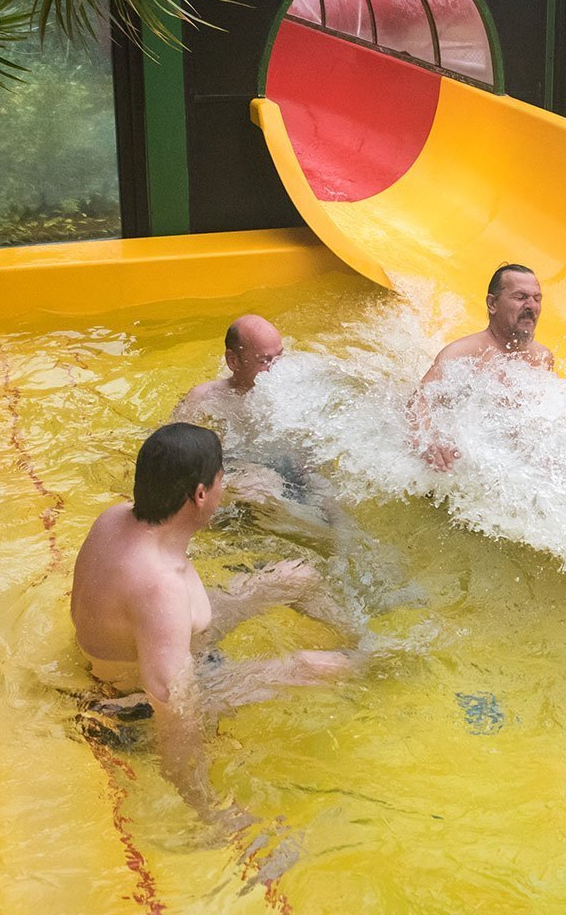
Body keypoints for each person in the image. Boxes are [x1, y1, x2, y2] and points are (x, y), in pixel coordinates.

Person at [71, 422, 354, 821]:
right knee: (318, 667)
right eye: (222, 480)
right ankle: (392, 667)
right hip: (132, 711)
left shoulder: (116, 518)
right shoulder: (159, 587)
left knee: (296, 577)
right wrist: (206, 808)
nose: (225, 490)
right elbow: (172, 704)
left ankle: (364, 640)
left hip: (160, 640)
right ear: (200, 494)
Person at [173, 314, 336, 547]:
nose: (276, 368)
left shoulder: (294, 386)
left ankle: (344, 540)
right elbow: (177, 458)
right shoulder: (204, 400)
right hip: (248, 474)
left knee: (329, 490)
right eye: (265, 360)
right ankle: (325, 540)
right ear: (233, 361)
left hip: (290, 466)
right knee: (262, 485)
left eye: (279, 356)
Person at [412, 263, 555, 471]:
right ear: (492, 304)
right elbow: (418, 402)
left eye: (537, 298)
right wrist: (430, 440)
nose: (531, 306)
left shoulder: (542, 357)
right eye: (520, 297)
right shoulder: (462, 354)